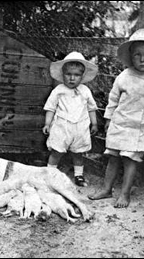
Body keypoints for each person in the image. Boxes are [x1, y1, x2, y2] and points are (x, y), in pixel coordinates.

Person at [88, 28, 144, 208]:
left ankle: (125, 193)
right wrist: (109, 118)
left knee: (130, 159)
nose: (142, 59)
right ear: (131, 56)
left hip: (140, 127)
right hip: (121, 123)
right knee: (113, 157)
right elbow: (113, 98)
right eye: (137, 55)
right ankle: (106, 188)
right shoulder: (124, 76)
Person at [42, 51, 99, 187]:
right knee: (56, 151)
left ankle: (78, 175)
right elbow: (50, 108)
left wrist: (94, 123)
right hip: (62, 126)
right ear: (63, 75)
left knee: (78, 153)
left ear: (82, 76)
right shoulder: (58, 90)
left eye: (76, 75)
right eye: (68, 74)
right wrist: (47, 124)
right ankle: (50, 174)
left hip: (80, 127)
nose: (72, 78)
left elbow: (91, 108)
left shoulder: (85, 91)